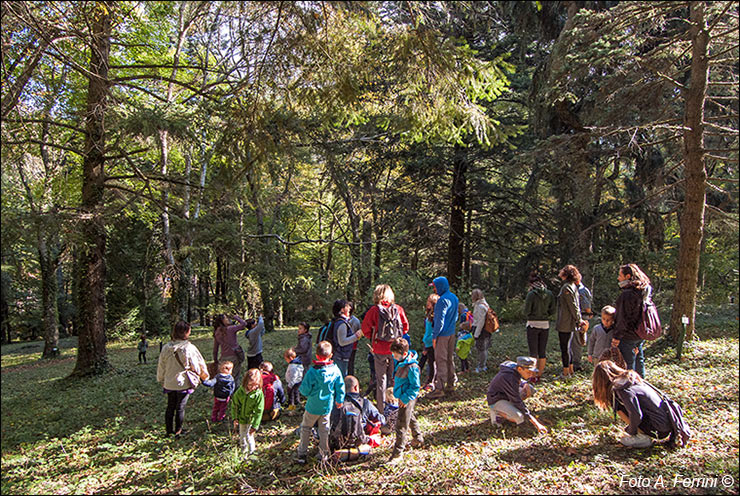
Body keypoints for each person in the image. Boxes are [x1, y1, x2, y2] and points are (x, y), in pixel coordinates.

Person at [592, 360, 673, 448]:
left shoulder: (620, 388)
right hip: (667, 424)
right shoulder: (632, 379)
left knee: (618, 407)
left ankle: (641, 437)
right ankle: (640, 433)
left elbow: (636, 414)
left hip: (658, 428)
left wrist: (630, 431)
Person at [294, 341, 346, 465]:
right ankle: (323, 454)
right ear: (331, 355)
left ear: (316, 356)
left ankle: (302, 453)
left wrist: (309, 393)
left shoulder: (312, 372)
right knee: (324, 430)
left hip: (312, 406)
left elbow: (304, 390)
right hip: (326, 406)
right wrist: (339, 400)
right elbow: (340, 385)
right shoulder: (335, 370)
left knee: (306, 428)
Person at [157, 321, 209, 438]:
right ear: (187, 332)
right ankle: (178, 431)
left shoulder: (166, 347)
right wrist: (204, 375)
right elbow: (197, 365)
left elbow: (161, 365)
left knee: (170, 406)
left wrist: (161, 379)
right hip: (183, 382)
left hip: (169, 382)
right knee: (180, 407)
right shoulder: (189, 348)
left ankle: (168, 431)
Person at [361, 284, 409, 410]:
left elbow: (365, 329)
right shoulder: (398, 309)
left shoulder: (374, 310)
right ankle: (395, 406)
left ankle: (382, 410)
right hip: (396, 349)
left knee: (381, 379)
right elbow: (405, 327)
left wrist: (373, 338)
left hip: (379, 349)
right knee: (395, 378)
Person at [486, 357, 548, 434]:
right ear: (519, 369)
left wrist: (524, 383)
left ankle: (510, 408)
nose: (531, 375)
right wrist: (536, 423)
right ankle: (497, 414)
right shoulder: (509, 378)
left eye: (532, 372)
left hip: (508, 395)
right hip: (496, 399)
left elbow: (518, 379)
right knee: (519, 417)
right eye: (529, 372)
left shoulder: (514, 367)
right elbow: (517, 400)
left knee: (530, 389)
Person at [612, 263, 652, 378]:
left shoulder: (627, 295)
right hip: (639, 333)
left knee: (627, 366)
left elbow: (622, 318)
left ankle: (630, 390)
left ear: (628, 276)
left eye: (620, 275)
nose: (618, 278)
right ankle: (642, 386)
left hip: (627, 335)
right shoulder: (643, 292)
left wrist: (617, 337)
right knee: (639, 362)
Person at [389, 337, 424, 462]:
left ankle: (398, 452)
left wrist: (404, 398)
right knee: (410, 416)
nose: (394, 357)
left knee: (401, 424)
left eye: (396, 355)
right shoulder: (401, 362)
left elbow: (415, 387)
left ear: (404, 354)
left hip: (407, 397)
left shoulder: (412, 367)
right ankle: (418, 437)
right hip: (402, 395)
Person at [427, 276, 458, 400]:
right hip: (451, 333)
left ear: (440, 286)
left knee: (441, 360)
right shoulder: (454, 298)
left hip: (443, 335)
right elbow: (455, 316)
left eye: (434, 286)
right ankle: (451, 383)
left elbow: (439, 320)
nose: (434, 289)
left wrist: (435, 337)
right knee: (450, 358)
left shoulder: (442, 300)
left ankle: (439, 388)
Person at [555, 265, 587, 379]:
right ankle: (571, 370)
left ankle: (565, 373)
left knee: (565, 348)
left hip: (566, 323)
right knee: (569, 347)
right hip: (570, 322)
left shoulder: (566, 288)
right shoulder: (573, 286)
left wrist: (579, 320)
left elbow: (573, 306)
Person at [523, 274, 556, 382]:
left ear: (531, 284)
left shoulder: (531, 294)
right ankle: (539, 375)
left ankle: (532, 375)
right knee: (542, 351)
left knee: (533, 351)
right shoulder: (549, 294)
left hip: (532, 324)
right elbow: (553, 310)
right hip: (545, 324)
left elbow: (526, 311)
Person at [231, 368, 265, 458]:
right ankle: (244, 454)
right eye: (250, 385)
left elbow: (259, 410)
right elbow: (235, 405)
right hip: (242, 419)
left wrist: (255, 425)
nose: (253, 387)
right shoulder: (240, 392)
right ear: (246, 382)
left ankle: (251, 454)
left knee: (249, 436)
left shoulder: (258, 394)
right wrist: (235, 417)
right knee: (242, 437)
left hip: (251, 419)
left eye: (255, 385)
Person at [331, 299, 364, 377]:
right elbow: (342, 341)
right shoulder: (342, 324)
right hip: (340, 357)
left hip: (340, 355)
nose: (349, 308)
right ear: (342, 310)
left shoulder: (338, 321)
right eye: (347, 306)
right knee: (341, 378)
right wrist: (356, 336)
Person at [569, 274, 593, 372]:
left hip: (581, 318)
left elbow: (586, 306)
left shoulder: (581, 291)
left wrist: (588, 313)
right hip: (579, 318)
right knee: (575, 341)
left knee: (578, 341)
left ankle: (577, 364)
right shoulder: (581, 289)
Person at [213, 314, 247, 382]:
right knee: (235, 376)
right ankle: (234, 390)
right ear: (222, 321)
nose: (228, 319)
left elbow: (215, 349)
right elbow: (244, 324)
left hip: (224, 357)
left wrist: (215, 360)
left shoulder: (216, 332)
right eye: (226, 318)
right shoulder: (230, 329)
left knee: (225, 376)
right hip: (234, 356)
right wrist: (236, 317)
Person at [418, 293, 438, 389]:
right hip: (427, 341)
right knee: (427, 361)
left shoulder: (434, 316)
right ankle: (429, 380)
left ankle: (431, 381)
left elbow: (434, 330)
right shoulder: (428, 315)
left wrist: (431, 340)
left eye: (429, 302)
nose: (427, 303)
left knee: (432, 362)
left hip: (431, 342)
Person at [470, 289, 492, 374]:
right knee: (484, 348)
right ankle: (483, 365)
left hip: (482, 330)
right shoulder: (484, 304)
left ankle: (481, 367)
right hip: (486, 330)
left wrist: (476, 334)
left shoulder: (480, 307)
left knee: (481, 349)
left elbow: (480, 322)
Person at [284, 348, 304, 414]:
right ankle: (298, 403)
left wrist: (290, 385)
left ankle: (292, 408)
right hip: (298, 381)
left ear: (290, 358)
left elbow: (293, 377)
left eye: (286, 359)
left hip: (293, 383)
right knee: (296, 392)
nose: (286, 360)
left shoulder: (293, 366)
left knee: (291, 395)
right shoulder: (298, 363)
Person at [456, 302, 473, 373]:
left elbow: (459, 342)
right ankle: (467, 369)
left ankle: (463, 370)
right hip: (467, 346)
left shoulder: (463, 315)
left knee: (462, 359)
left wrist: (457, 348)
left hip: (462, 347)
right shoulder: (467, 312)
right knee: (465, 358)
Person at [348, 302, 362, 376]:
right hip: (347, 344)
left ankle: (350, 378)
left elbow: (359, 333)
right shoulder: (356, 320)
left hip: (352, 345)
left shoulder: (356, 321)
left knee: (350, 363)